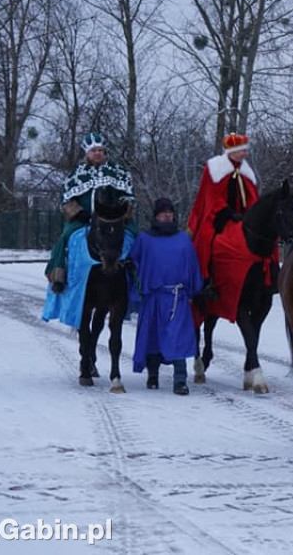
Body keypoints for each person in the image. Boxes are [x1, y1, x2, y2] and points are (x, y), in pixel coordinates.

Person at [129, 198, 203, 395]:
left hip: (177, 297)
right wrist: (138, 288)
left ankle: (180, 380)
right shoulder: (145, 239)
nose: (167, 215)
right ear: (155, 216)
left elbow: (192, 264)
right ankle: (152, 375)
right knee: (153, 336)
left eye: (170, 212)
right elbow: (133, 263)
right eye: (163, 212)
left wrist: (195, 289)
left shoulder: (183, 239)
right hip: (154, 296)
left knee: (178, 337)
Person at [45, 131, 135, 293]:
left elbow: (128, 196)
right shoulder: (76, 174)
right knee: (64, 239)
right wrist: (79, 213)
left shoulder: (118, 171)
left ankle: (135, 274)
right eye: (94, 151)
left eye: (100, 150)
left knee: (134, 235)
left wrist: (120, 212)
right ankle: (59, 276)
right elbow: (66, 199)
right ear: (87, 152)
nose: (98, 153)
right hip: (83, 219)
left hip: (113, 219)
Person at [186, 132, 259, 311]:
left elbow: (251, 197)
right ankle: (207, 281)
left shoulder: (246, 171)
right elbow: (210, 196)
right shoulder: (215, 168)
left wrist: (251, 213)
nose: (244, 154)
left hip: (242, 216)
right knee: (206, 239)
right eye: (241, 151)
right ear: (232, 152)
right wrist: (226, 212)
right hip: (217, 215)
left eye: (245, 151)